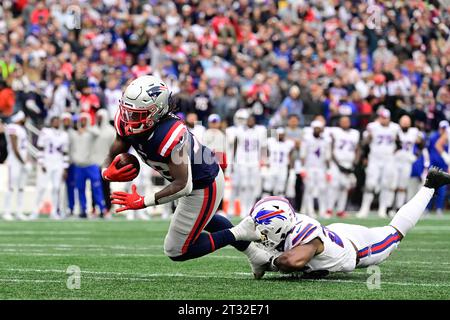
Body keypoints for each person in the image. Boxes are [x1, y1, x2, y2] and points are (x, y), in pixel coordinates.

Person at [101, 75, 268, 273]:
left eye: (136, 115)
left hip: (203, 184)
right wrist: (107, 171)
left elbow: (183, 185)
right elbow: (116, 149)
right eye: (128, 112)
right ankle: (256, 255)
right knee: (206, 219)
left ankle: (240, 232)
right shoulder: (128, 121)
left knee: (176, 249)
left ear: (156, 112)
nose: (129, 120)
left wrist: (143, 201)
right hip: (187, 181)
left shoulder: (171, 133)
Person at [242, 167, 450, 279]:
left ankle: (430, 185)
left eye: (264, 227)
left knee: (394, 233)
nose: (261, 232)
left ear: (278, 226)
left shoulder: (303, 234)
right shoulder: (286, 229)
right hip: (335, 234)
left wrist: (268, 262)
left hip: (358, 246)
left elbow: (292, 262)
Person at [357, 108, 401, 218]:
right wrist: (369, 137)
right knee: (370, 184)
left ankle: (382, 209)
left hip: (388, 159)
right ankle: (364, 208)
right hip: (375, 159)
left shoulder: (395, 128)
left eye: (385, 118)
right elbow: (364, 143)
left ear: (389, 118)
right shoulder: (373, 127)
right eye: (382, 117)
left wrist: (392, 152)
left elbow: (399, 143)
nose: (383, 120)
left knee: (386, 184)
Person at [31, 116, 69, 219]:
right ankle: (35, 211)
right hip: (47, 162)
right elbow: (40, 148)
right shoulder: (45, 131)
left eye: (58, 121)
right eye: (54, 121)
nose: (56, 123)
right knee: (42, 187)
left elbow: (65, 152)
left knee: (56, 188)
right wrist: (41, 162)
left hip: (58, 163)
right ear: (51, 122)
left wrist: (65, 167)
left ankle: (54, 212)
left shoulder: (64, 135)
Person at [231, 113, 267, 217]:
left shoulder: (260, 130)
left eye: (252, 119)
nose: (250, 121)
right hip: (242, 161)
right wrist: (234, 160)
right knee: (244, 185)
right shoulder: (239, 130)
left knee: (252, 186)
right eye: (248, 119)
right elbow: (235, 145)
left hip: (254, 161)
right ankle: (243, 209)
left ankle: (251, 208)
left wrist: (263, 160)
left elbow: (263, 147)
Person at [71, 112, 106, 218]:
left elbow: (97, 133)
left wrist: (87, 127)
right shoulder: (75, 134)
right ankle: (83, 209)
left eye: (84, 119)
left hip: (91, 164)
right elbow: (73, 149)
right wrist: (75, 159)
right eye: (81, 120)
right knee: (80, 189)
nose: (82, 121)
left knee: (96, 188)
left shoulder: (91, 132)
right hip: (79, 166)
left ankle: (101, 209)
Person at [327, 116, 360, 217]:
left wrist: (354, 163)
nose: (345, 123)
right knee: (334, 186)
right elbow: (331, 147)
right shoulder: (335, 131)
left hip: (349, 163)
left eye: (347, 121)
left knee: (345, 187)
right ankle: (329, 209)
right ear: (339, 122)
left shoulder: (355, 133)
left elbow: (357, 149)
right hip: (337, 163)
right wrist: (337, 164)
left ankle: (341, 210)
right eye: (343, 121)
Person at [300, 120, 332, 218]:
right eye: (316, 128)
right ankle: (310, 211)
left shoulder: (326, 140)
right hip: (309, 167)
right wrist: (302, 168)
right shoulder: (307, 139)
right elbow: (303, 154)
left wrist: (329, 170)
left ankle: (323, 211)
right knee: (309, 189)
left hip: (321, 168)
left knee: (323, 189)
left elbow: (327, 156)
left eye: (320, 128)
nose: (318, 130)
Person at [392, 115, 424, 212]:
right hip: (394, 161)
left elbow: (422, 144)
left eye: (407, 121)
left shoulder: (414, 132)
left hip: (406, 162)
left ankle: (398, 207)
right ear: (399, 122)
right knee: (392, 185)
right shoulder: (395, 130)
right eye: (403, 121)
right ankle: (387, 207)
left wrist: (416, 156)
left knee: (402, 186)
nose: (405, 123)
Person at [2, 111, 29, 220]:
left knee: (21, 188)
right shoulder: (13, 127)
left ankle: (19, 211)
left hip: (21, 161)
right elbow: (14, 147)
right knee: (11, 187)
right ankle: (7, 211)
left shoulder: (22, 129)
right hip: (14, 161)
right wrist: (23, 162)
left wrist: (26, 161)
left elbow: (24, 148)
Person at [263, 127, 295, 196]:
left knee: (281, 188)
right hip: (272, 167)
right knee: (267, 187)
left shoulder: (288, 144)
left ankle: (280, 204)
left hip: (283, 167)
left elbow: (290, 156)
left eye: (282, 134)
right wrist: (266, 164)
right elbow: (266, 153)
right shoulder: (271, 142)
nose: (280, 136)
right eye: (279, 134)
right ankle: (264, 203)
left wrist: (291, 168)